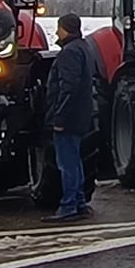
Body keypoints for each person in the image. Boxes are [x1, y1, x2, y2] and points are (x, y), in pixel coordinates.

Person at [45, 13, 96, 222]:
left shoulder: (69, 52)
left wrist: (60, 118)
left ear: (65, 28)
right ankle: (79, 201)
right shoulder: (84, 48)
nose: (57, 32)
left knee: (67, 163)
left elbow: (69, 87)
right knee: (75, 160)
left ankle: (68, 205)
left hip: (69, 118)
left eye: (59, 28)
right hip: (82, 115)